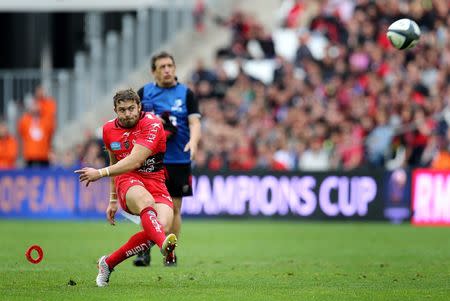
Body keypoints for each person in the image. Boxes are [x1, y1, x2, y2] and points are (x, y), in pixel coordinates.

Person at [75, 88, 177, 287]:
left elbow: (135, 160)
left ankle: (108, 263)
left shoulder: (152, 124)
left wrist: (99, 173)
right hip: (128, 180)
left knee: (161, 227)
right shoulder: (107, 130)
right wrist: (113, 200)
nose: (128, 113)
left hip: (156, 182)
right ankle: (165, 247)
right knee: (147, 205)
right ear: (115, 110)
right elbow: (116, 162)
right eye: (122, 110)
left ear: (139, 107)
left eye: (131, 108)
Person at [134, 51, 201, 267]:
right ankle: (144, 251)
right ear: (153, 71)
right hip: (151, 159)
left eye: (170, 66)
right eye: (162, 67)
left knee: (174, 209)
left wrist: (194, 141)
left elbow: (194, 123)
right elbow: (134, 123)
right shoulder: (144, 93)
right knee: (148, 207)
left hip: (179, 159)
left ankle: (169, 252)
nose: (167, 70)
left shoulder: (186, 94)